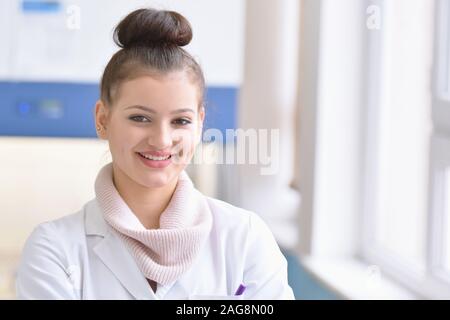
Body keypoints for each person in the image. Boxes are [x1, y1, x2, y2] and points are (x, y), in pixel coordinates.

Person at [15, 8, 294, 300]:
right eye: (140, 118)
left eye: (180, 121)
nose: (161, 140)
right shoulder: (55, 250)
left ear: (199, 124)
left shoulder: (244, 239)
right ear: (102, 119)